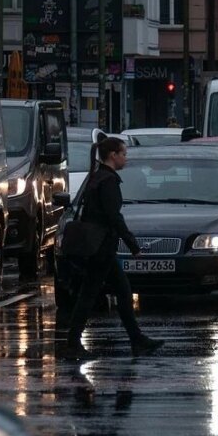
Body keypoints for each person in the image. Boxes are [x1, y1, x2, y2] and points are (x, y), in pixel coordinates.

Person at [61, 137, 163, 360]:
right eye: (123, 154)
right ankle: (73, 343)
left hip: (100, 246)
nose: (125, 158)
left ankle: (137, 340)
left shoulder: (97, 177)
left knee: (122, 292)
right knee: (90, 295)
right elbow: (113, 217)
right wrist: (133, 245)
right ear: (113, 155)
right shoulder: (107, 181)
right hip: (102, 248)